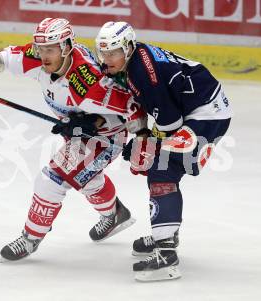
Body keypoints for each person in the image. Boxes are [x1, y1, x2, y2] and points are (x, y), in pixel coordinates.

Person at [0, 18, 146, 262]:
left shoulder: (89, 83)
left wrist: (94, 123)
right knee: (86, 178)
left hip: (104, 138)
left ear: (65, 47)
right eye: (40, 49)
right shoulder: (41, 56)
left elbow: (133, 109)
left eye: (49, 50)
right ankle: (116, 214)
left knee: (50, 180)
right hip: (78, 132)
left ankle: (31, 238)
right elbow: (6, 58)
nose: (43, 56)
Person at [95, 21, 233, 281]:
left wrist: (146, 145)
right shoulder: (132, 62)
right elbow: (142, 107)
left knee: (162, 169)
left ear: (127, 48)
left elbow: (170, 125)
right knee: (162, 166)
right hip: (197, 107)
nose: (106, 59)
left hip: (206, 113)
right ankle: (166, 231)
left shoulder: (144, 74)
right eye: (103, 53)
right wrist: (142, 138)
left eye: (112, 53)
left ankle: (167, 252)